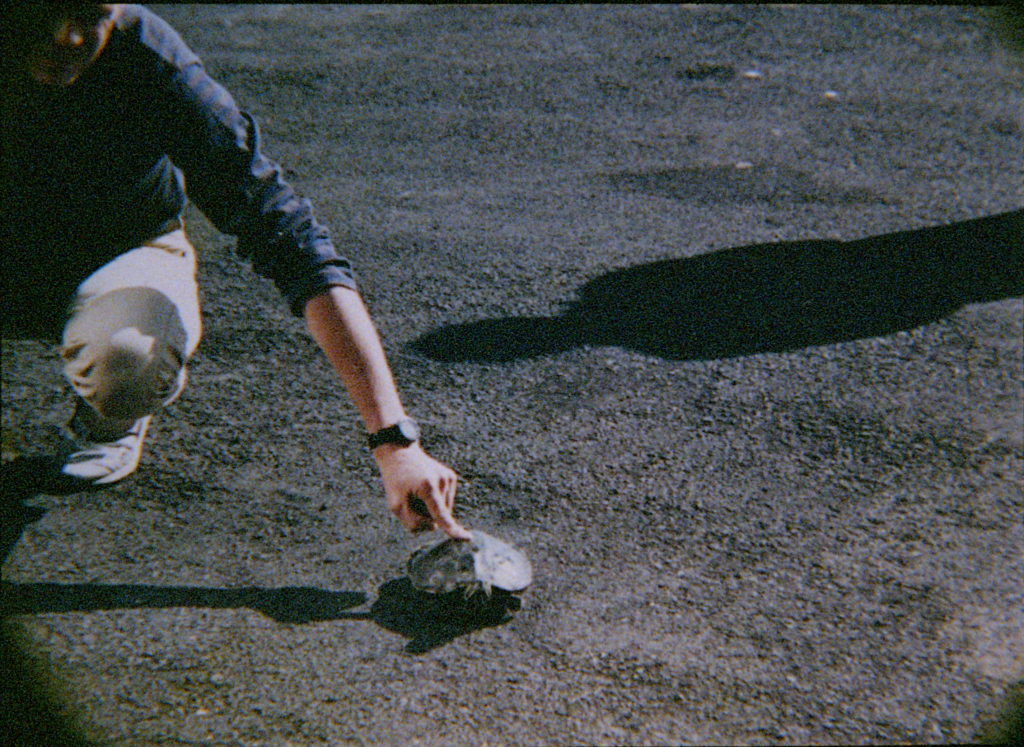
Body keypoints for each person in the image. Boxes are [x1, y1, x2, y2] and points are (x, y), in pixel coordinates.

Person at [0, 3, 471, 540]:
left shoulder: (148, 59)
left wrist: (396, 444)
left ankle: (109, 425)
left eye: (91, 14)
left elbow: (291, 239)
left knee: (127, 357)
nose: (71, 38)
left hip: (118, 251)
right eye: (43, 13)